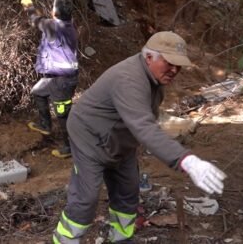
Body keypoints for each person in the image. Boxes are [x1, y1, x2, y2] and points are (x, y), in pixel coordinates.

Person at [52, 31, 227, 244]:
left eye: (178, 65)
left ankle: (121, 238)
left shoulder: (154, 79)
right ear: (149, 56)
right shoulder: (129, 79)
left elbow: (145, 119)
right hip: (89, 136)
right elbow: (143, 126)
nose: (174, 70)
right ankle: (65, 240)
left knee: (128, 191)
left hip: (120, 139)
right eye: (169, 62)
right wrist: (186, 160)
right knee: (85, 199)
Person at [21, 0, 79, 159]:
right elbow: (43, 21)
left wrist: (29, 6)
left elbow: (36, 20)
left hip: (63, 82)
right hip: (55, 78)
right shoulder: (68, 26)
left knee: (62, 115)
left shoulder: (53, 27)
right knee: (37, 92)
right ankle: (45, 124)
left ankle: (69, 147)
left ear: (54, 13)